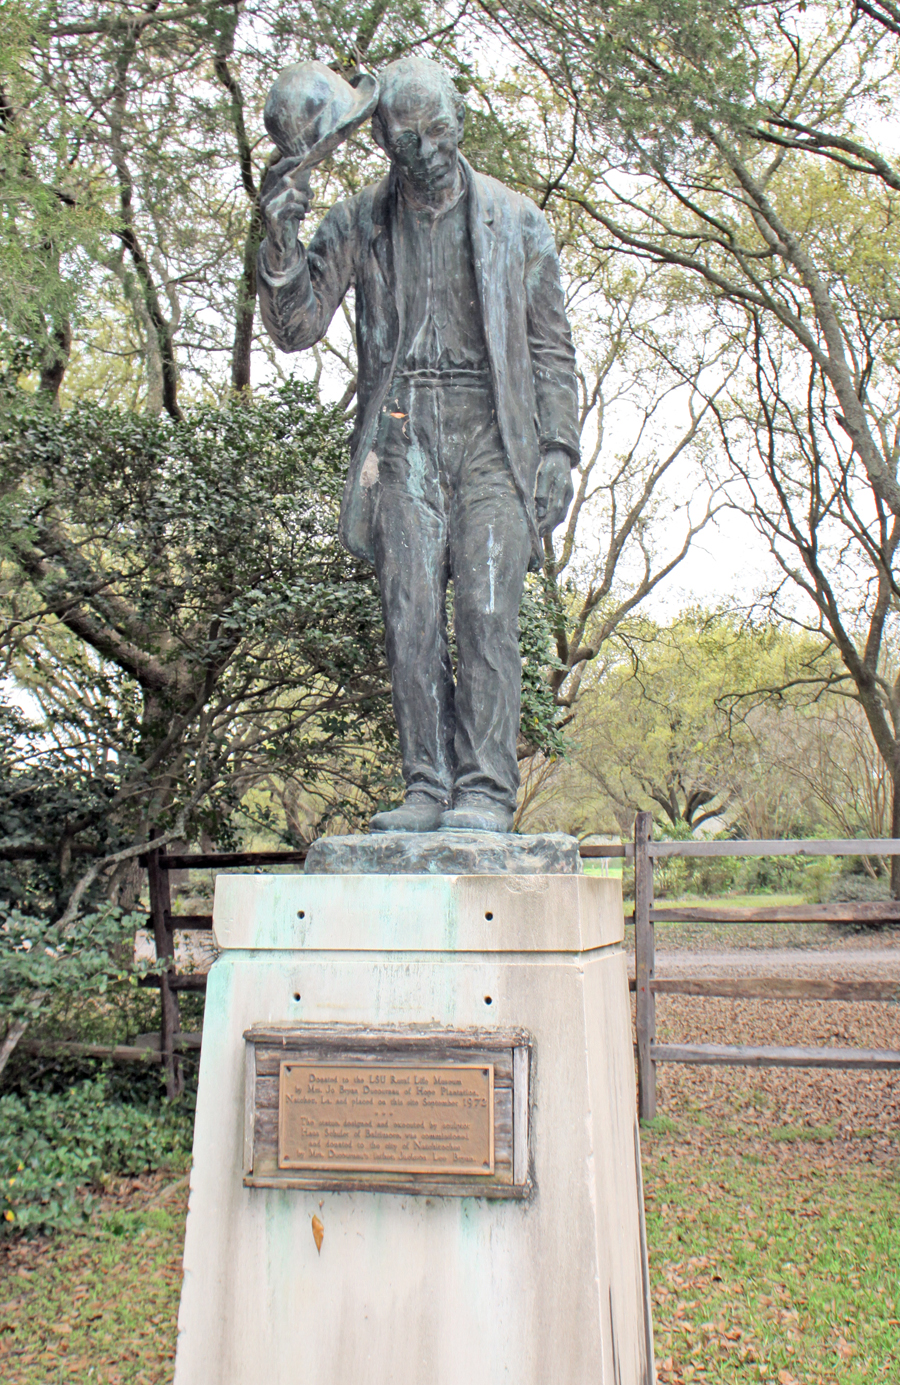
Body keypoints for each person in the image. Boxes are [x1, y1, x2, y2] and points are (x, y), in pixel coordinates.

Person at [258, 56, 579, 833]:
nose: (428, 150)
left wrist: (559, 449)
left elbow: (552, 351)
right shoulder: (361, 220)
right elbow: (295, 328)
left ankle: (485, 790)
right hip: (402, 434)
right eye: (409, 140)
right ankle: (426, 786)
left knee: (488, 605)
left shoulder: (516, 221)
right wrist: (279, 237)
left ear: (458, 121)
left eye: (438, 131)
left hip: (493, 431)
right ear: (387, 145)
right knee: (408, 615)